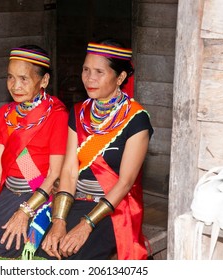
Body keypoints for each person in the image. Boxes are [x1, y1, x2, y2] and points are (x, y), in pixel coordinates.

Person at [36, 39, 154, 260]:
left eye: (99, 72)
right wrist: (59, 221)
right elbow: (70, 171)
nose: (90, 78)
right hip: (75, 200)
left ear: (120, 78)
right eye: (86, 70)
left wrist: (86, 225)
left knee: (75, 256)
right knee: (46, 253)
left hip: (113, 208)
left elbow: (125, 183)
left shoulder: (136, 120)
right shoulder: (79, 113)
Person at [0, 45, 68, 260]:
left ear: (44, 81)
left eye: (24, 79)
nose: (15, 86)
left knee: (4, 246)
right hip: (7, 193)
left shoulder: (56, 115)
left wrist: (25, 212)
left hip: (38, 196)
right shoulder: (6, 114)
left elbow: (54, 175)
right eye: (10, 78)